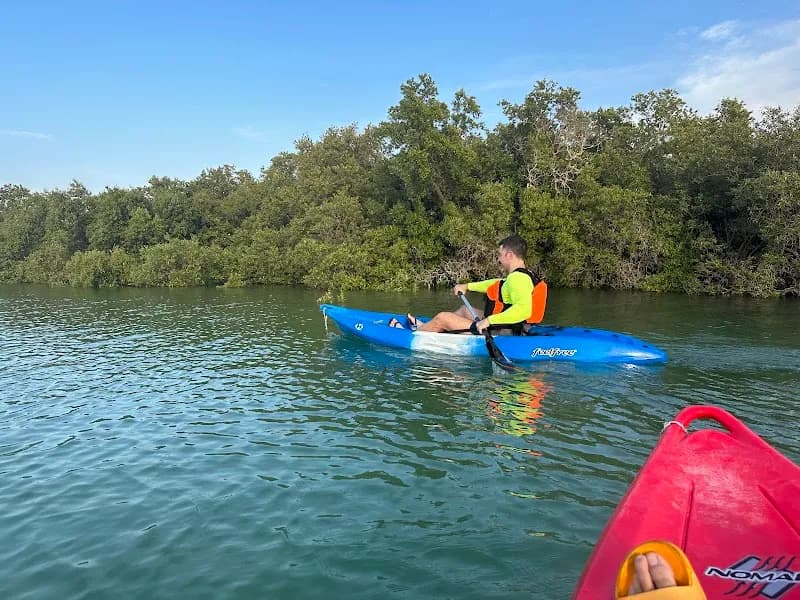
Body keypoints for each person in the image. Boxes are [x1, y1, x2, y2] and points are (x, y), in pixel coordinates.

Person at [400, 234, 547, 335]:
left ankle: (418, 334)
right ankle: (431, 329)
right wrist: (467, 286)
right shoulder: (524, 274)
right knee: (465, 310)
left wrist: (488, 321)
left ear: (509, 255)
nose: (498, 259)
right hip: (513, 326)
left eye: (499, 255)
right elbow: (496, 284)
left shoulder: (518, 279)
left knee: (442, 317)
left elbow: (523, 311)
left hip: (508, 333)